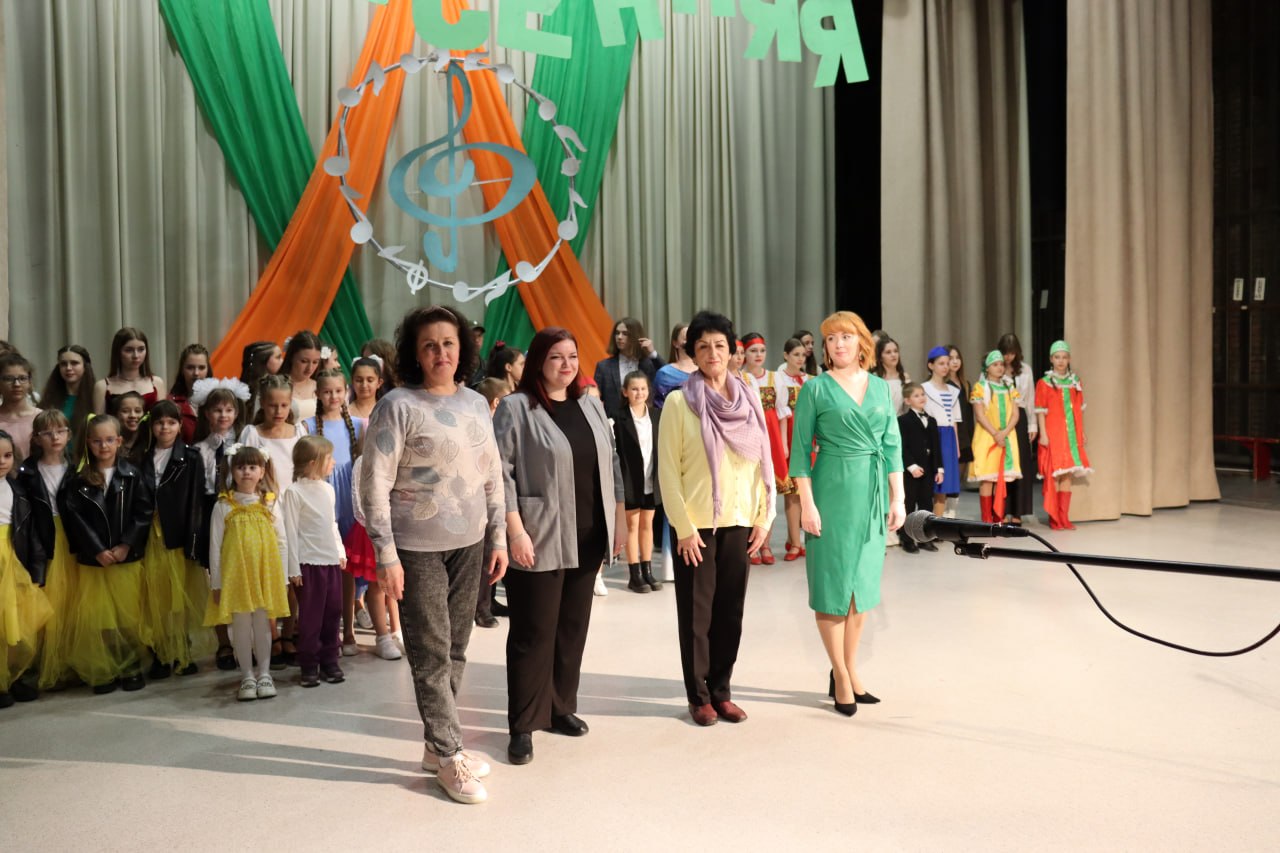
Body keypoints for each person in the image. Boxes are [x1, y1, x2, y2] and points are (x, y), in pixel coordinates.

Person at [361, 305, 508, 805]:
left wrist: (499, 537)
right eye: (429, 345)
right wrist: (385, 554)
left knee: (457, 648)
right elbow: (374, 483)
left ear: (462, 349)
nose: (440, 352)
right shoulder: (397, 405)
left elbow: (491, 474)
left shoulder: (475, 403)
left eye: (448, 343)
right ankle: (448, 755)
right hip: (415, 547)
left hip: (470, 542)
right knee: (430, 651)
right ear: (415, 354)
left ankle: (436, 745)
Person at [493, 326, 624, 764]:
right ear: (538, 362)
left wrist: (619, 521)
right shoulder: (516, 407)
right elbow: (500, 474)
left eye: (572, 356)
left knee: (571, 628)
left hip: (588, 534)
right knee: (533, 632)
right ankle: (523, 724)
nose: (566, 365)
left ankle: (559, 707)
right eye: (555, 357)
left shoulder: (590, 404)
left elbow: (611, 463)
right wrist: (514, 531)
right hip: (539, 534)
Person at [658, 311, 775, 727]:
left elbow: (759, 461)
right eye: (703, 346)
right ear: (693, 353)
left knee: (730, 613)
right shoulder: (679, 402)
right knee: (697, 616)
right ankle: (699, 696)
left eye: (720, 345)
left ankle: (722, 691)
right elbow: (667, 471)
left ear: (732, 351)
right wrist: (683, 528)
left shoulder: (748, 398)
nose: (712, 353)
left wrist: (764, 516)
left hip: (740, 520)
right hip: (697, 526)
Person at [791, 311, 905, 717]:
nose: (838, 344)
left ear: (861, 343)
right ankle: (839, 674)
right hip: (831, 492)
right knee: (832, 586)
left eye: (846, 336)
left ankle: (851, 668)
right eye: (831, 338)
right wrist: (807, 504)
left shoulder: (881, 388)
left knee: (862, 588)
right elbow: (799, 453)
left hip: (872, 496)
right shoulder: (815, 389)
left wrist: (898, 498)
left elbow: (892, 445)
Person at [59, 415, 155, 694]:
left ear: (119, 441)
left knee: (127, 617)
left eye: (110, 440)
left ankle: (131, 667)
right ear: (88, 443)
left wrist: (126, 545)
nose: (104, 446)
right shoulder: (78, 479)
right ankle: (104, 669)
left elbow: (143, 512)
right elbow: (75, 518)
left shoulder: (132, 475)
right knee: (100, 619)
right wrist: (97, 550)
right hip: (95, 562)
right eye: (97, 441)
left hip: (126, 559)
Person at [204, 444, 294, 702]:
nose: (246, 472)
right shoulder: (223, 506)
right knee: (241, 625)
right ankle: (247, 675)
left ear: (262, 471)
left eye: (252, 467)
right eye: (241, 467)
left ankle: (264, 673)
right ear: (232, 471)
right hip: (236, 578)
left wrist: (283, 578)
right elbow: (215, 547)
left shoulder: (270, 503)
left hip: (265, 575)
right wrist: (216, 583)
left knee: (264, 623)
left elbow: (282, 542)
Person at [137, 400, 209, 678]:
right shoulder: (142, 457)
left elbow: (195, 501)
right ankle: (159, 651)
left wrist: (194, 540)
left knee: (178, 599)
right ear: (151, 426)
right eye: (159, 422)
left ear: (180, 426)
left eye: (171, 422)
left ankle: (181, 651)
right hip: (149, 535)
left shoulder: (190, 457)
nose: (165, 427)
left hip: (176, 535)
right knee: (154, 597)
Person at [189, 377, 249, 671]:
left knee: (242, 575)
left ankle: (246, 639)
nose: (223, 415)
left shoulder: (244, 446)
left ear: (236, 413)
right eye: (217, 410)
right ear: (206, 413)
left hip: (239, 513)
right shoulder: (198, 450)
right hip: (210, 512)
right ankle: (223, 642)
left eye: (228, 410)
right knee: (217, 578)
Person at [17, 410, 79, 690]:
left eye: (60, 431)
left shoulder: (76, 467)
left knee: (74, 602)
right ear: (36, 438)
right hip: (45, 539)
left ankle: (72, 661)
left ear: (69, 434)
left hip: (73, 539)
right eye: (47, 433)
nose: (55, 437)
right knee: (51, 602)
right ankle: (47, 664)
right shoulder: (28, 472)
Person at [306, 369, 366, 657]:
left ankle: (349, 630)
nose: (333, 396)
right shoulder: (307, 426)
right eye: (327, 391)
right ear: (318, 394)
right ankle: (325, 631)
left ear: (346, 392)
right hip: (321, 498)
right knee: (324, 565)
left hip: (348, 499)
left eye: (338, 391)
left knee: (347, 566)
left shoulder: (359, 424)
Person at [281, 435, 348, 687]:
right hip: (308, 565)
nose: (334, 462)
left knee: (333, 612)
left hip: (330, 562)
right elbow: (290, 531)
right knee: (311, 617)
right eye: (329, 458)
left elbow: (332, 524)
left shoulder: (328, 490)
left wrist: (340, 551)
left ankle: (330, 659)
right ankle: (309, 663)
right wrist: (293, 568)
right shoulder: (294, 492)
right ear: (312, 463)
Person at [0, 430, 52, 708]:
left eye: (7, 455)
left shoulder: (19, 491)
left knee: (15, 623)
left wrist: (37, 571)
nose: (2, 461)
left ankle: (13, 675)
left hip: (14, 560)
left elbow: (31, 535)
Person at [740, 332, 788, 565]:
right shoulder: (740, 378)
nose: (758, 355)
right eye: (753, 351)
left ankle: (765, 543)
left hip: (771, 437)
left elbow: (781, 414)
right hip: (750, 436)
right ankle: (750, 545)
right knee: (751, 489)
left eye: (762, 350)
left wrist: (783, 443)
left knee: (769, 491)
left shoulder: (774, 378)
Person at [1035, 341, 1093, 530]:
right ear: (1051, 359)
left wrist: (1081, 431)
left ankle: (1063, 517)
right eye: (1057, 357)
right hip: (1053, 434)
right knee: (1055, 474)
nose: (1061, 361)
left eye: (1064, 357)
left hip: (1070, 435)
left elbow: (1078, 410)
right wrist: (1043, 434)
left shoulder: (1075, 382)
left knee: (1067, 474)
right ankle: (1054, 517)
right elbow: (1041, 411)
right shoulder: (1044, 383)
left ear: (1069, 359)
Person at [614, 371, 662, 593]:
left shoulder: (657, 416)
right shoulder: (618, 418)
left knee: (647, 524)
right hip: (630, 480)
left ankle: (647, 570)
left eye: (643, 388)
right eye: (634, 389)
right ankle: (634, 574)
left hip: (651, 477)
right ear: (625, 392)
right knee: (632, 525)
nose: (639, 393)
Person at [474, 377, 513, 628]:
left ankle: (489, 600)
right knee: (483, 556)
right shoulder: (480, 425)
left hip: (497, 497)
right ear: (497, 402)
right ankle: (480, 608)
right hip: (480, 500)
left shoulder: (499, 424)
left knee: (494, 551)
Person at [970, 351, 1022, 523]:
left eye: (1001, 364)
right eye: (995, 364)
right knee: (987, 478)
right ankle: (987, 520)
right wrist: (995, 433)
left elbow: (1015, 414)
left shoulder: (1009, 387)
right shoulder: (980, 387)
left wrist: (1004, 433)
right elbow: (979, 415)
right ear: (987, 368)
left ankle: (998, 519)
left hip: (1006, 436)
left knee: (1001, 479)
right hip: (987, 437)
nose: (999, 367)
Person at [775, 337, 815, 562]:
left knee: (807, 490)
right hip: (789, 434)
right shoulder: (778, 379)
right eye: (796, 354)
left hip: (808, 435)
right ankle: (794, 542)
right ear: (786, 355)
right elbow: (780, 411)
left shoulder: (810, 380)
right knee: (792, 491)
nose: (800, 359)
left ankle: (800, 539)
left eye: (803, 355)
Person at [897, 383, 943, 553]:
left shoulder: (932, 420)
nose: (921, 397)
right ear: (907, 401)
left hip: (928, 470)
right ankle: (906, 539)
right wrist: (911, 466)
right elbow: (901, 446)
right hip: (911, 471)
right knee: (909, 505)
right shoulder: (903, 421)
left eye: (922, 394)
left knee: (926, 505)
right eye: (916, 395)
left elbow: (936, 447)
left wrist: (939, 469)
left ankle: (924, 538)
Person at [998, 333, 1038, 523]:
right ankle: (1001, 510)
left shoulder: (1025, 369)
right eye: (1005, 353)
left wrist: (1032, 424)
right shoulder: (993, 368)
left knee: (1020, 463)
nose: (1008, 357)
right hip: (1000, 416)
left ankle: (1018, 512)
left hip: (1020, 417)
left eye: (1012, 353)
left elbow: (1030, 398)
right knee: (1003, 463)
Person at [593, 317, 665, 421]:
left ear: (635, 336)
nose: (619, 337)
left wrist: (652, 353)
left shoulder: (648, 364)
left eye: (625, 334)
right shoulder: (603, 367)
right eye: (617, 333)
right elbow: (594, 399)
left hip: (644, 421)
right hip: (614, 423)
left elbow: (667, 376)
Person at [922, 347, 963, 517]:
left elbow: (954, 420)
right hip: (933, 434)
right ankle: (926, 520)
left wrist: (957, 445)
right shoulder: (925, 389)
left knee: (943, 485)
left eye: (947, 363)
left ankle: (938, 521)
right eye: (941, 363)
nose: (945, 367)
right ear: (931, 365)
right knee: (931, 481)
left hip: (948, 438)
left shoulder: (953, 391)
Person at [93, 327, 167, 414]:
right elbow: (99, 421)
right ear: (117, 352)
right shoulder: (103, 387)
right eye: (129, 350)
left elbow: (163, 417)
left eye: (141, 349)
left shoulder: (156, 383)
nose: (136, 356)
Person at [39, 345, 95, 447]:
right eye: (63, 364)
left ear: (85, 366)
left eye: (74, 363)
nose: (68, 368)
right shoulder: (49, 398)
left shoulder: (95, 397)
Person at [944, 344, 975, 517]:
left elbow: (968, 413)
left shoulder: (965, 384)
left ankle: (953, 510)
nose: (955, 362)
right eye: (950, 358)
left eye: (957, 358)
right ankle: (945, 511)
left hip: (965, 435)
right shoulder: (944, 384)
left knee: (959, 476)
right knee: (949, 475)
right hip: (951, 434)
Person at [167, 345, 211, 445]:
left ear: (208, 370)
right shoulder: (171, 403)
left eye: (201, 368)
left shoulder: (217, 400)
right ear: (182, 370)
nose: (196, 373)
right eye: (190, 367)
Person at [0, 354, 41, 459]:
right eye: (9, 379)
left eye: (23, 378)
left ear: (30, 382)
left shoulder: (41, 417)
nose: (17, 384)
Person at [281, 331, 323, 423]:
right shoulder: (277, 385)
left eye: (315, 362)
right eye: (304, 361)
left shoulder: (319, 386)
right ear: (292, 357)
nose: (310, 368)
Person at [239, 341, 283, 422]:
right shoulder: (245, 392)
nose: (282, 361)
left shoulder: (282, 384)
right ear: (263, 361)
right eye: (278, 357)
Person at [653, 323, 695, 409]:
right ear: (675, 343)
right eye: (685, 339)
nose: (690, 342)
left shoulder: (706, 370)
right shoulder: (665, 374)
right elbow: (659, 407)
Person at [873, 335, 910, 415]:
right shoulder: (874, 378)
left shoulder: (904, 377)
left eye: (895, 351)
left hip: (901, 420)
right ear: (880, 357)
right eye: (888, 352)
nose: (893, 355)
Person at [109, 391, 146, 461]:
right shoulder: (109, 443)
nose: (132, 415)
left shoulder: (149, 444)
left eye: (137, 411)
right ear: (116, 415)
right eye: (125, 411)